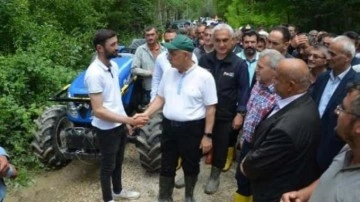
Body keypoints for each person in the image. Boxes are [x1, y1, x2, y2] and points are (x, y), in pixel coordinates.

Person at [136, 34, 217, 202]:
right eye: (168, 53)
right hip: (169, 128)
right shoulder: (169, 73)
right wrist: (145, 114)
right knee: (167, 164)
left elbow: (211, 108)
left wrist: (207, 136)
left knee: (191, 164)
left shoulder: (204, 77)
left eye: (172, 54)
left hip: (192, 129)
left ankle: (189, 196)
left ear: (186, 55)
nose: (168, 57)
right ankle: (165, 197)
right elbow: (160, 98)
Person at [241, 58, 321, 202]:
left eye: (277, 78)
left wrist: (245, 163)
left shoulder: (287, 127)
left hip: (274, 191)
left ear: (290, 85)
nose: (273, 81)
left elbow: (255, 166)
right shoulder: (304, 101)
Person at [84, 29, 148, 202]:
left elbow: (115, 99)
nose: (117, 47)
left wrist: (124, 122)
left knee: (118, 162)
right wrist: (129, 119)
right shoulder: (94, 73)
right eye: (112, 45)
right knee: (107, 167)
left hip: (118, 124)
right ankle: (108, 199)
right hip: (105, 129)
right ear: (100, 48)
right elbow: (98, 110)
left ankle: (118, 191)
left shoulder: (113, 66)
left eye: (116, 43)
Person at [281, 80, 360, 202]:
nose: (336, 112)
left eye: (342, 109)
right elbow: (332, 177)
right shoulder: (350, 148)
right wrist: (304, 194)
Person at [199, 23, 250, 194]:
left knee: (220, 147)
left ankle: (214, 176)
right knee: (195, 143)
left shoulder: (239, 64)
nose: (221, 44)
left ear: (233, 41)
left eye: (225, 40)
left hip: (225, 114)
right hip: (202, 112)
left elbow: (244, 90)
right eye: (218, 40)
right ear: (212, 40)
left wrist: (240, 113)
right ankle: (191, 171)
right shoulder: (204, 60)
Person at [234, 49, 284, 202]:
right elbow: (251, 113)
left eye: (261, 67)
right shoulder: (257, 83)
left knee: (258, 183)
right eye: (257, 65)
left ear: (274, 71)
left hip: (262, 149)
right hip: (248, 143)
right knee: (241, 178)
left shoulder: (280, 95)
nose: (256, 69)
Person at [312, 35, 360, 173]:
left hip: (335, 149)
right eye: (328, 52)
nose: (328, 57)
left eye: (333, 54)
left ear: (347, 57)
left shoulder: (356, 85)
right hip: (313, 145)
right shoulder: (323, 77)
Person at [150, 30, 198, 102]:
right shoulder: (161, 58)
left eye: (172, 40)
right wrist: (153, 99)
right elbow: (156, 79)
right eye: (167, 40)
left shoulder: (191, 57)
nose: (170, 43)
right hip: (164, 100)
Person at [131, 26, 167, 106]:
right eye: (147, 35)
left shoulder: (164, 50)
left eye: (152, 34)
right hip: (148, 89)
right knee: (151, 114)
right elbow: (134, 69)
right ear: (145, 36)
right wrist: (150, 73)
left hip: (164, 88)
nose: (150, 37)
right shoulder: (140, 50)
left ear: (157, 35)